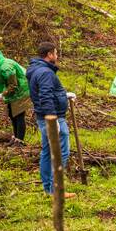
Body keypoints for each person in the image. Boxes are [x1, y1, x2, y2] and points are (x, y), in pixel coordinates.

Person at [25, 42, 76, 199]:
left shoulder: (37, 70)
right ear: (49, 55)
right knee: (61, 152)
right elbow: (45, 96)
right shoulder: (46, 73)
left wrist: (64, 95)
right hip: (53, 118)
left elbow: (46, 92)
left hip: (43, 117)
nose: (57, 56)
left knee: (47, 152)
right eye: (55, 53)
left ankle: (49, 188)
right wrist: (53, 120)